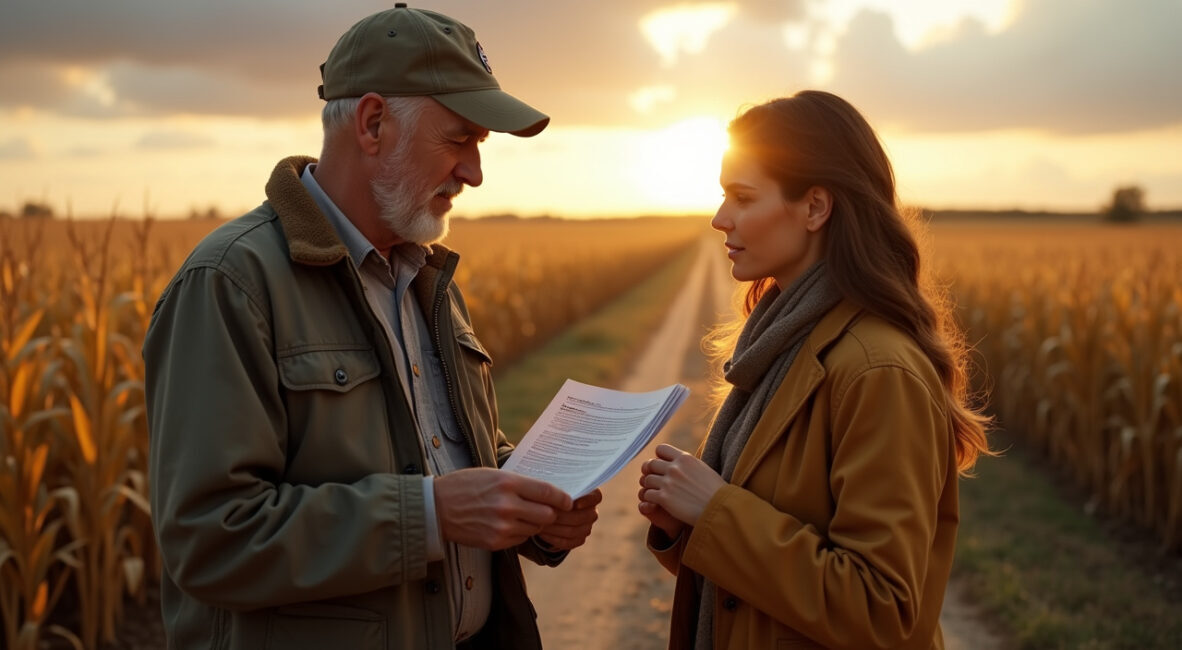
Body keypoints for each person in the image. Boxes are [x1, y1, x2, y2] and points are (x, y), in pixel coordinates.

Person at [143, 5, 601, 649]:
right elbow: (210, 539)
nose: (474, 173)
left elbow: (447, 454)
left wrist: (532, 508)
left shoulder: (428, 278)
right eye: (459, 139)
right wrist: (431, 514)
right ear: (373, 123)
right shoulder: (231, 283)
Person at [636, 90, 992, 650]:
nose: (719, 218)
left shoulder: (878, 371)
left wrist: (715, 511)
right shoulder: (782, 346)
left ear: (815, 208)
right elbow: (761, 594)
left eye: (742, 197)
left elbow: (882, 611)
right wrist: (687, 528)